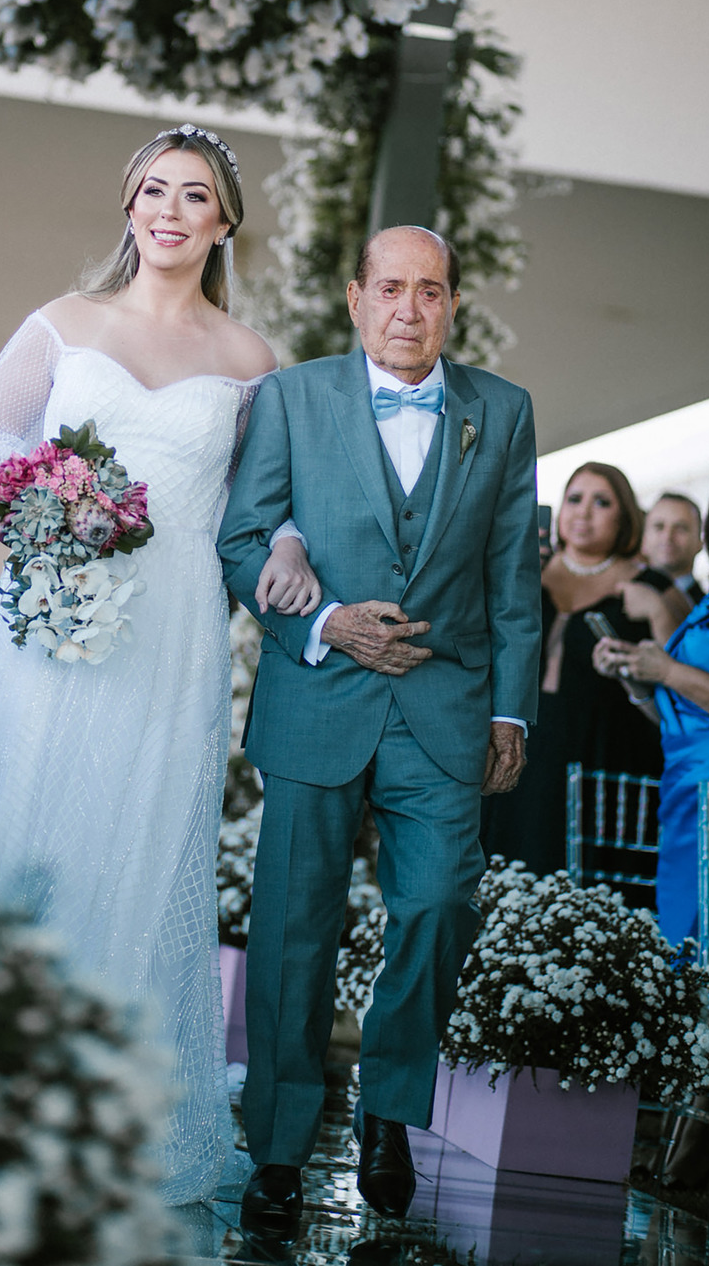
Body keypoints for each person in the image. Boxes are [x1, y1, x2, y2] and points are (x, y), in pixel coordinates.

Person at [0, 124, 320, 1207]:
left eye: (194, 195)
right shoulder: (63, 323)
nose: (169, 211)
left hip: (174, 634)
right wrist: (52, 490)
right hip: (53, 621)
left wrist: (285, 547)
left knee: (134, 847)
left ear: (224, 223)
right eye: (153, 191)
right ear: (130, 206)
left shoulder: (252, 360)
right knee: (23, 823)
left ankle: (83, 1110)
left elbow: (266, 504)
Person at [217, 225, 541, 1229]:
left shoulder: (503, 410)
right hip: (318, 692)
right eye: (391, 288)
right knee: (294, 924)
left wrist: (510, 708)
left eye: (430, 291)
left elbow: (511, 576)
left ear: (453, 306)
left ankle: (388, 1112)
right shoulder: (290, 397)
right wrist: (326, 622)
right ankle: (278, 1145)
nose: (409, 308)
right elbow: (242, 539)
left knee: (439, 903)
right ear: (356, 299)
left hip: (444, 706)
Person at [484, 463, 689, 882]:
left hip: (609, 754)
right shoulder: (525, 571)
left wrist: (655, 613)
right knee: (508, 870)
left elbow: (684, 675)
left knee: (596, 884)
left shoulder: (653, 586)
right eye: (575, 499)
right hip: (526, 749)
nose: (584, 512)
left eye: (602, 502)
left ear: (625, 517)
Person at [595, 465, 709, 980]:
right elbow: (682, 712)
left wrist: (668, 669)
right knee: (682, 954)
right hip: (687, 795)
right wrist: (637, 680)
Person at [642, 491, 705, 604]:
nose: (667, 537)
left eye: (681, 528)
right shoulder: (619, 597)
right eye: (659, 527)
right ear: (644, 540)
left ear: (700, 543)